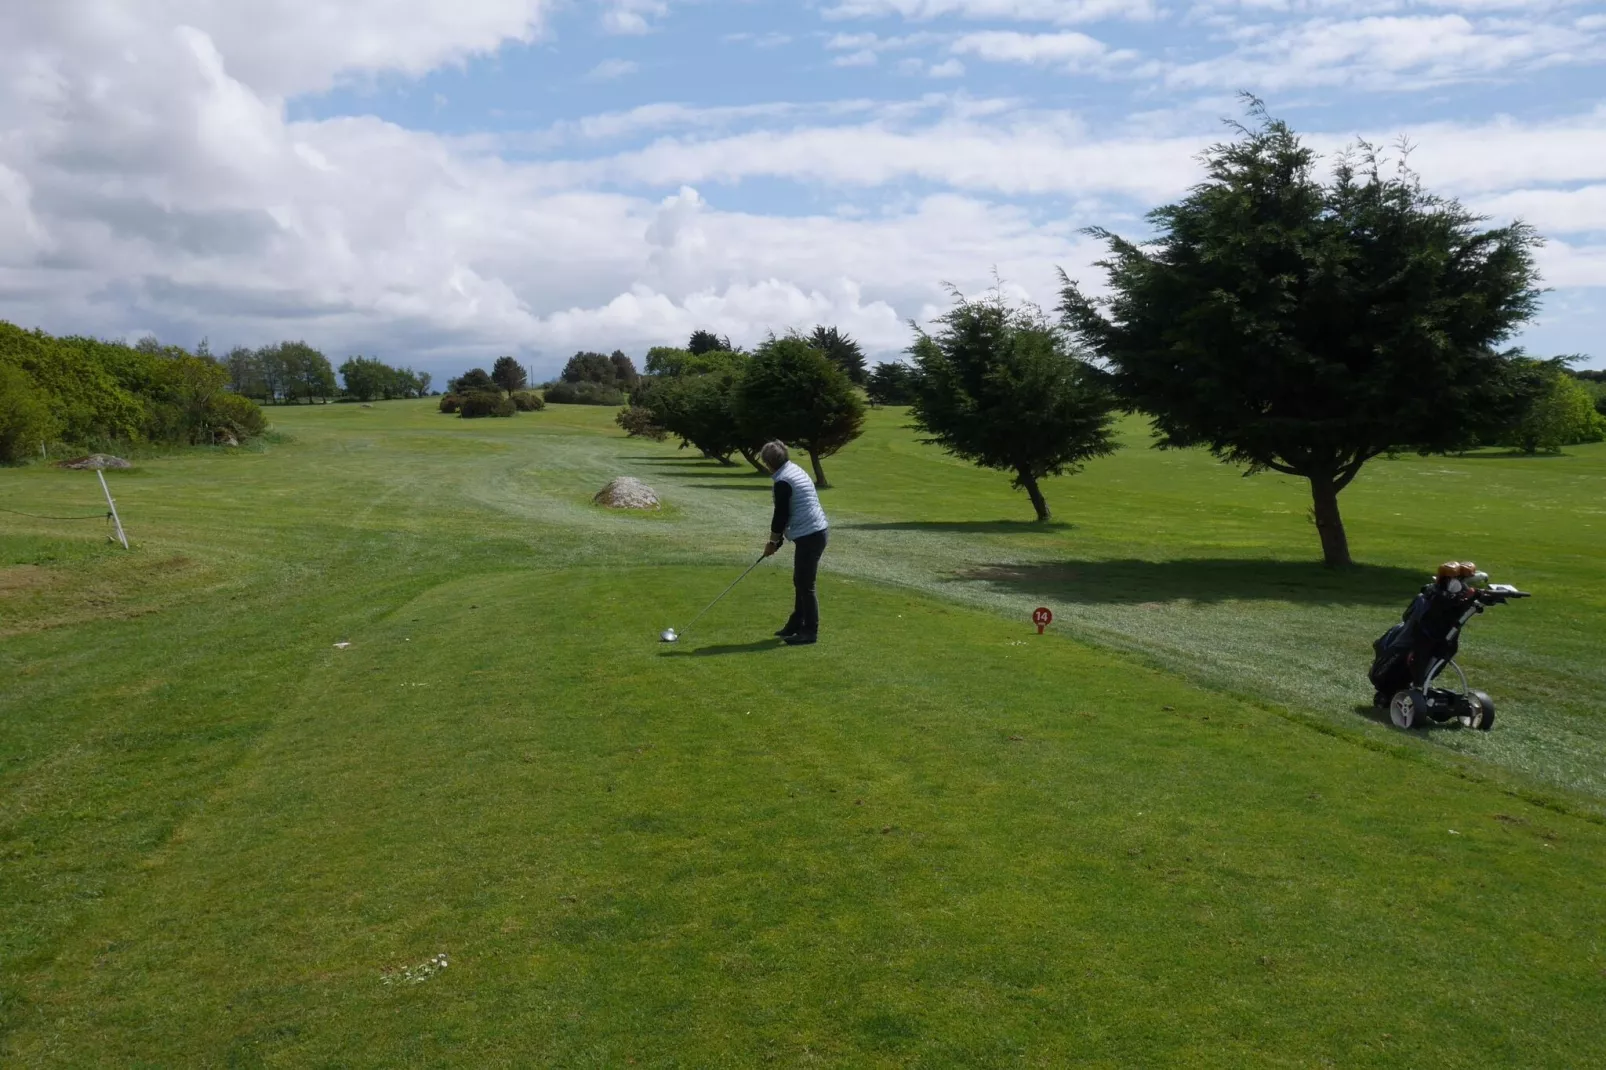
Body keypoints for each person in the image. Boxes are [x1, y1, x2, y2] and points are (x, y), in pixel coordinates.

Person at [760, 440, 828, 645]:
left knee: (805, 584)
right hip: (814, 531)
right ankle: (796, 623)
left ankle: (810, 631)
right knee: (800, 581)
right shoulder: (792, 469)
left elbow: (780, 515)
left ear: (768, 463)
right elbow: (789, 511)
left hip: (811, 534)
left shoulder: (783, 480)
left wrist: (773, 541)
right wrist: (778, 539)